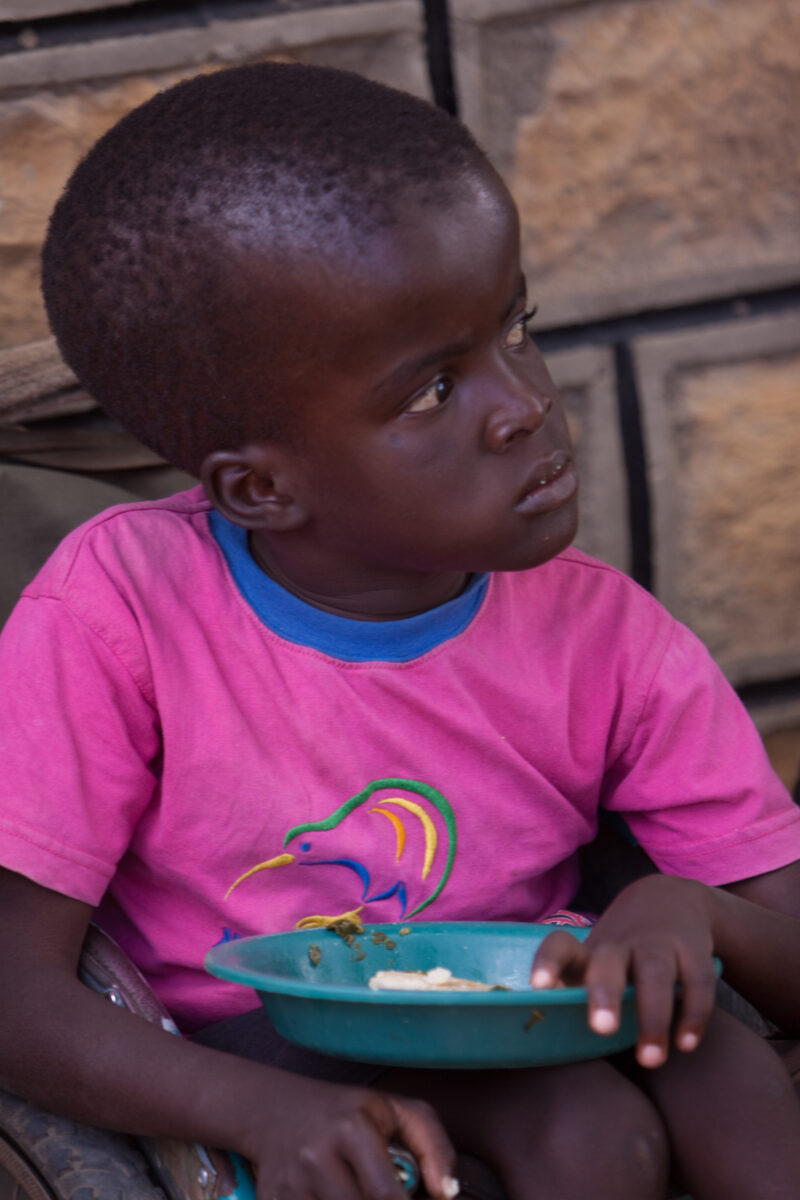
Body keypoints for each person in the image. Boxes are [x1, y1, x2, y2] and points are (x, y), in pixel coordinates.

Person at [0, 62, 798, 1200]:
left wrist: (690, 912)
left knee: (705, 1066)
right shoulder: (121, 608)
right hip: (238, 1051)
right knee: (580, 1133)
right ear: (261, 490)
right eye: (432, 390)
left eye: (514, 326)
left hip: (524, 1024)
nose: (523, 400)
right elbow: (13, 988)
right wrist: (258, 1110)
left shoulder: (609, 639)